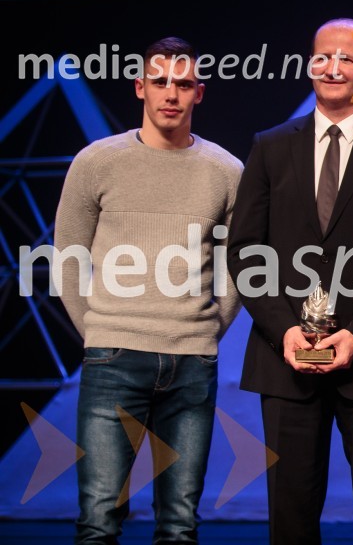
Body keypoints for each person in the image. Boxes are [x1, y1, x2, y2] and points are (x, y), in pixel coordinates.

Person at [227, 18, 353, 545]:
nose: (332, 67)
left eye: (347, 58)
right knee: (290, 511)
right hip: (286, 357)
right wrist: (283, 330)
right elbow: (246, 251)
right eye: (322, 56)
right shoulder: (270, 145)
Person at [53, 37, 243, 543]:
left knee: (179, 525)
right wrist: (98, 330)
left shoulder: (226, 171)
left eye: (183, 84)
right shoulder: (96, 162)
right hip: (113, 358)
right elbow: (68, 257)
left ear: (198, 93)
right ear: (140, 87)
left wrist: (206, 328)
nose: (170, 94)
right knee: (98, 521)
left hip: (191, 362)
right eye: (159, 81)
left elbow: (240, 264)